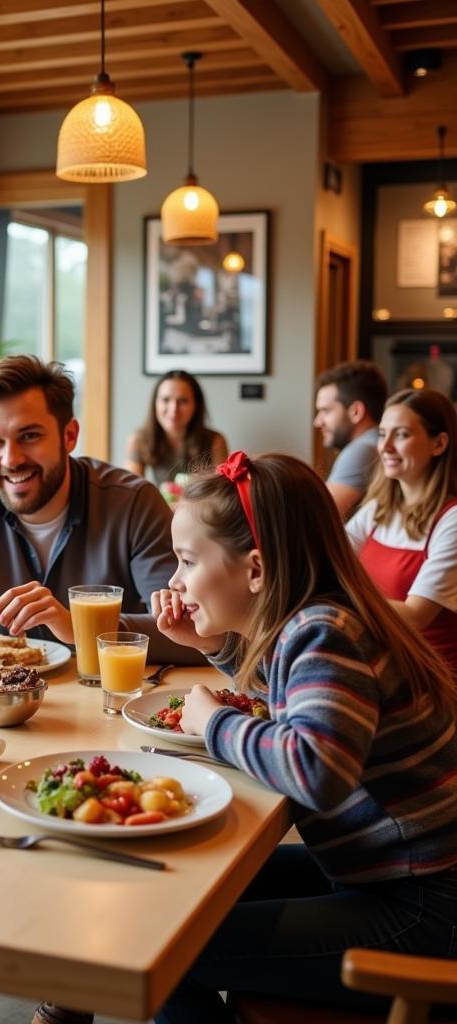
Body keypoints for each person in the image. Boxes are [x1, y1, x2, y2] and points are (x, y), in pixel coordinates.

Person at [146, 451, 457, 1022]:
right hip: (391, 876)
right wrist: (210, 645)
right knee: (189, 889)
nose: (176, 580)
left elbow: (319, 770)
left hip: (420, 908)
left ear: (256, 570)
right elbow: (294, 695)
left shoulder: (322, 632)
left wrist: (212, 723)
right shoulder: (322, 620)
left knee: (169, 949)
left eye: (188, 561)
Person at [0, 355, 204, 664]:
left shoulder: (134, 502)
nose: (11, 459)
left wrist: (80, 629)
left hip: (105, 706)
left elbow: (193, 628)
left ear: (69, 436)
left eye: (29, 436)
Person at [346, 387, 457, 675]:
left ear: (439, 444)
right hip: (382, 669)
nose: (385, 447)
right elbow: (331, 555)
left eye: (402, 435)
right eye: (383, 434)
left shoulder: (452, 519)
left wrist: (338, 596)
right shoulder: (378, 509)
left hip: (432, 683)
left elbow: (416, 615)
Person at [124, 370, 228, 484]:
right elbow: (132, 488)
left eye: (183, 401)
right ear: (155, 403)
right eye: (165, 400)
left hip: (201, 502)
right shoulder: (138, 439)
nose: (173, 409)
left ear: (196, 405)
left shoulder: (215, 441)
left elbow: (220, 494)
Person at [312, 360, 387, 518]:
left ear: (355, 412)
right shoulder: (375, 443)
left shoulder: (361, 450)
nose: (317, 422)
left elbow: (318, 519)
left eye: (326, 411)